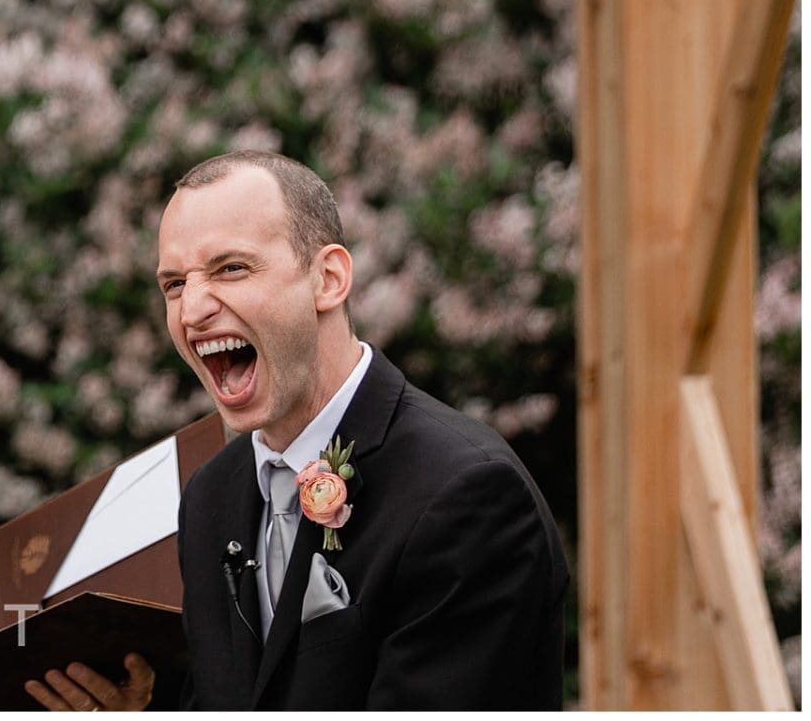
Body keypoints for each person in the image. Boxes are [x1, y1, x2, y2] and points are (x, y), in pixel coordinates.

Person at [150, 151, 570, 710]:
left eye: (231, 268)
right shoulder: (210, 497)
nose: (193, 308)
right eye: (175, 284)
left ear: (328, 279)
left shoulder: (465, 495)